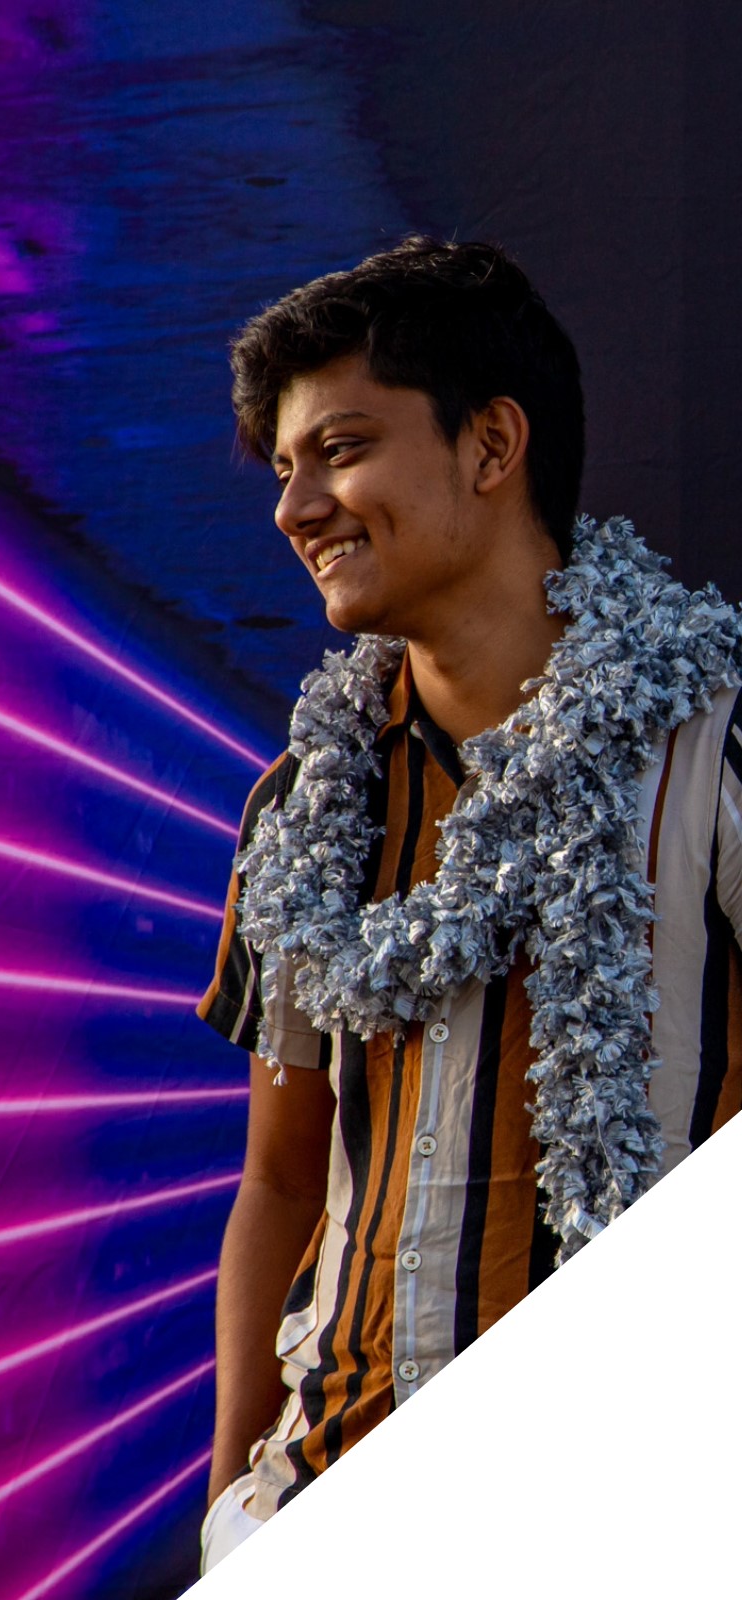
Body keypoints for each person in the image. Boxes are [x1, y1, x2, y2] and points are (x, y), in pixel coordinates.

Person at [196, 236, 742, 1571]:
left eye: (341, 449)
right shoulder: (302, 808)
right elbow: (279, 1175)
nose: (295, 507)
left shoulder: (714, 758)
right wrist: (232, 1520)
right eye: (283, 467)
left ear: (493, 446)